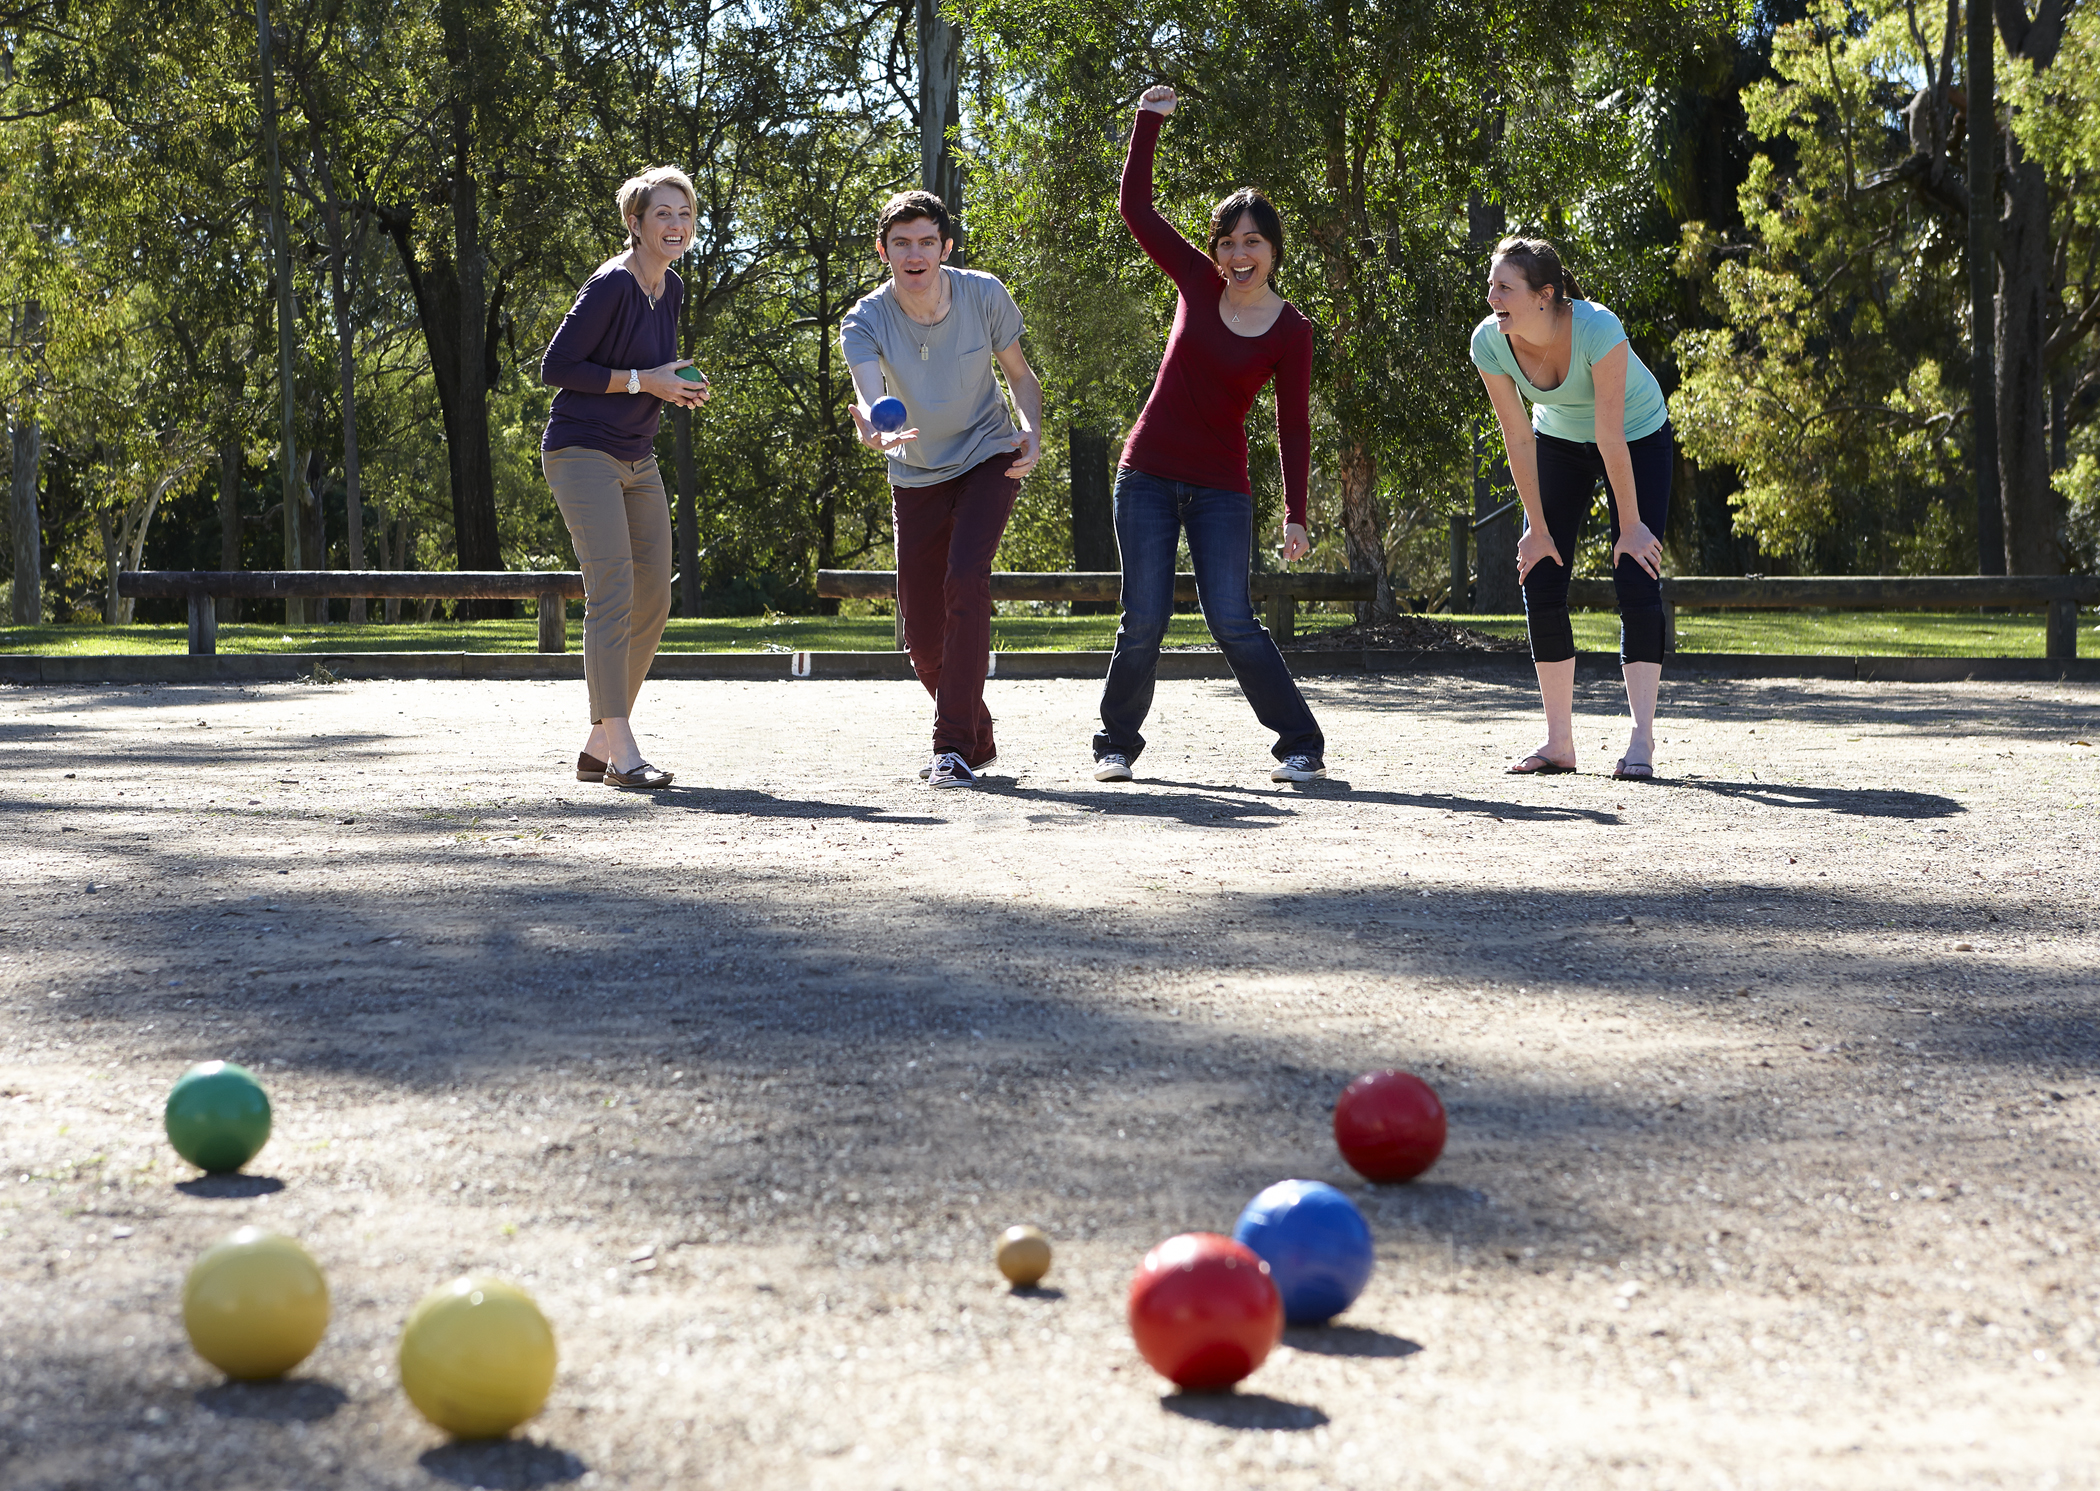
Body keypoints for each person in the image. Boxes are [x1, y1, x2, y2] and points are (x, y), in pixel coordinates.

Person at [1091, 85, 1328, 785]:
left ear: (1274, 248)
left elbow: (1292, 422)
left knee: (1232, 618)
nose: (1237, 252)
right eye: (1227, 242)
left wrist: (1295, 512)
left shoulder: (1292, 331)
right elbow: (1135, 209)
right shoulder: (1195, 280)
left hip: (1223, 487)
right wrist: (1147, 123)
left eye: (1251, 240)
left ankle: (1301, 743)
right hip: (1148, 475)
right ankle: (1114, 743)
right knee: (1145, 618)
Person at [842, 190, 1043, 788]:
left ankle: (950, 746)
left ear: (945, 247)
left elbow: (1020, 377)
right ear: (884, 252)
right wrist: (876, 426)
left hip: (987, 454)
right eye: (901, 243)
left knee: (965, 576)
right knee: (923, 639)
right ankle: (976, 732)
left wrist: (1030, 431)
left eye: (926, 241)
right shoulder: (866, 318)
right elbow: (871, 393)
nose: (915, 253)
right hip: (915, 469)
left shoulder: (983, 293)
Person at [1472, 235, 1673, 780]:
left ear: (1544, 295)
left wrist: (1630, 528)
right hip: (1557, 442)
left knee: (1636, 570)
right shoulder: (1490, 342)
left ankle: (1641, 739)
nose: (1492, 296)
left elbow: (1611, 436)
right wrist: (1537, 529)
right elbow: (1517, 436)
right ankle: (1559, 742)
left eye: (1504, 287)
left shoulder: (1598, 328)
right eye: (1491, 285)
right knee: (1541, 574)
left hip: (1635, 436)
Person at [540, 166, 710, 790]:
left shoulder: (673, 288)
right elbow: (555, 367)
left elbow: (647, 367)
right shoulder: (611, 285)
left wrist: (675, 383)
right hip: (582, 451)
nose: (675, 224)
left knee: (655, 599)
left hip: (639, 456)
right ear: (635, 224)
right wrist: (648, 382)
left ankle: (597, 743)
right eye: (662, 214)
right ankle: (625, 751)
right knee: (611, 592)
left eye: (684, 214)